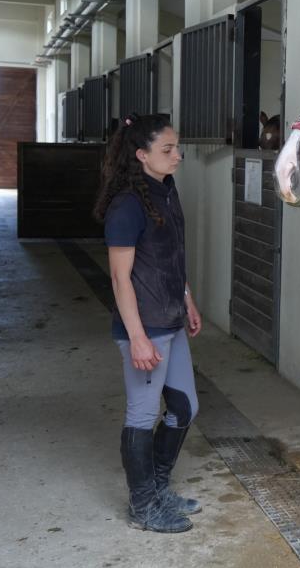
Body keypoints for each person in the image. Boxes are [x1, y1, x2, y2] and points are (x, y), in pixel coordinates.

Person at [93, 113, 203, 533]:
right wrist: (137, 338)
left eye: (177, 147)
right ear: (141, 155)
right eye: (167, 150)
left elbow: (172, 255)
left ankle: (157, 489)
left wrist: (188, 299)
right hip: (145, 327)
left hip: (172, 319)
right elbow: (121, 279)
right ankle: (144, 507)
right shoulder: (126, 206)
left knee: (185, 407)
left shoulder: (166, 189)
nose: (177, 156)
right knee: (142, 414)